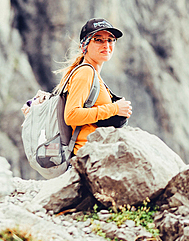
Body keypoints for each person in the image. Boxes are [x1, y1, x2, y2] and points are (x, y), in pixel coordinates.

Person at [57, 17, 134, 155]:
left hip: (95, 154)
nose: (106, 45)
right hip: (86, 157)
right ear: (84, 45)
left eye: (110, 40)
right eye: (98, 40)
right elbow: (71, 115)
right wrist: (115, 108)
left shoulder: (93, 74)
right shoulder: (85, 72)